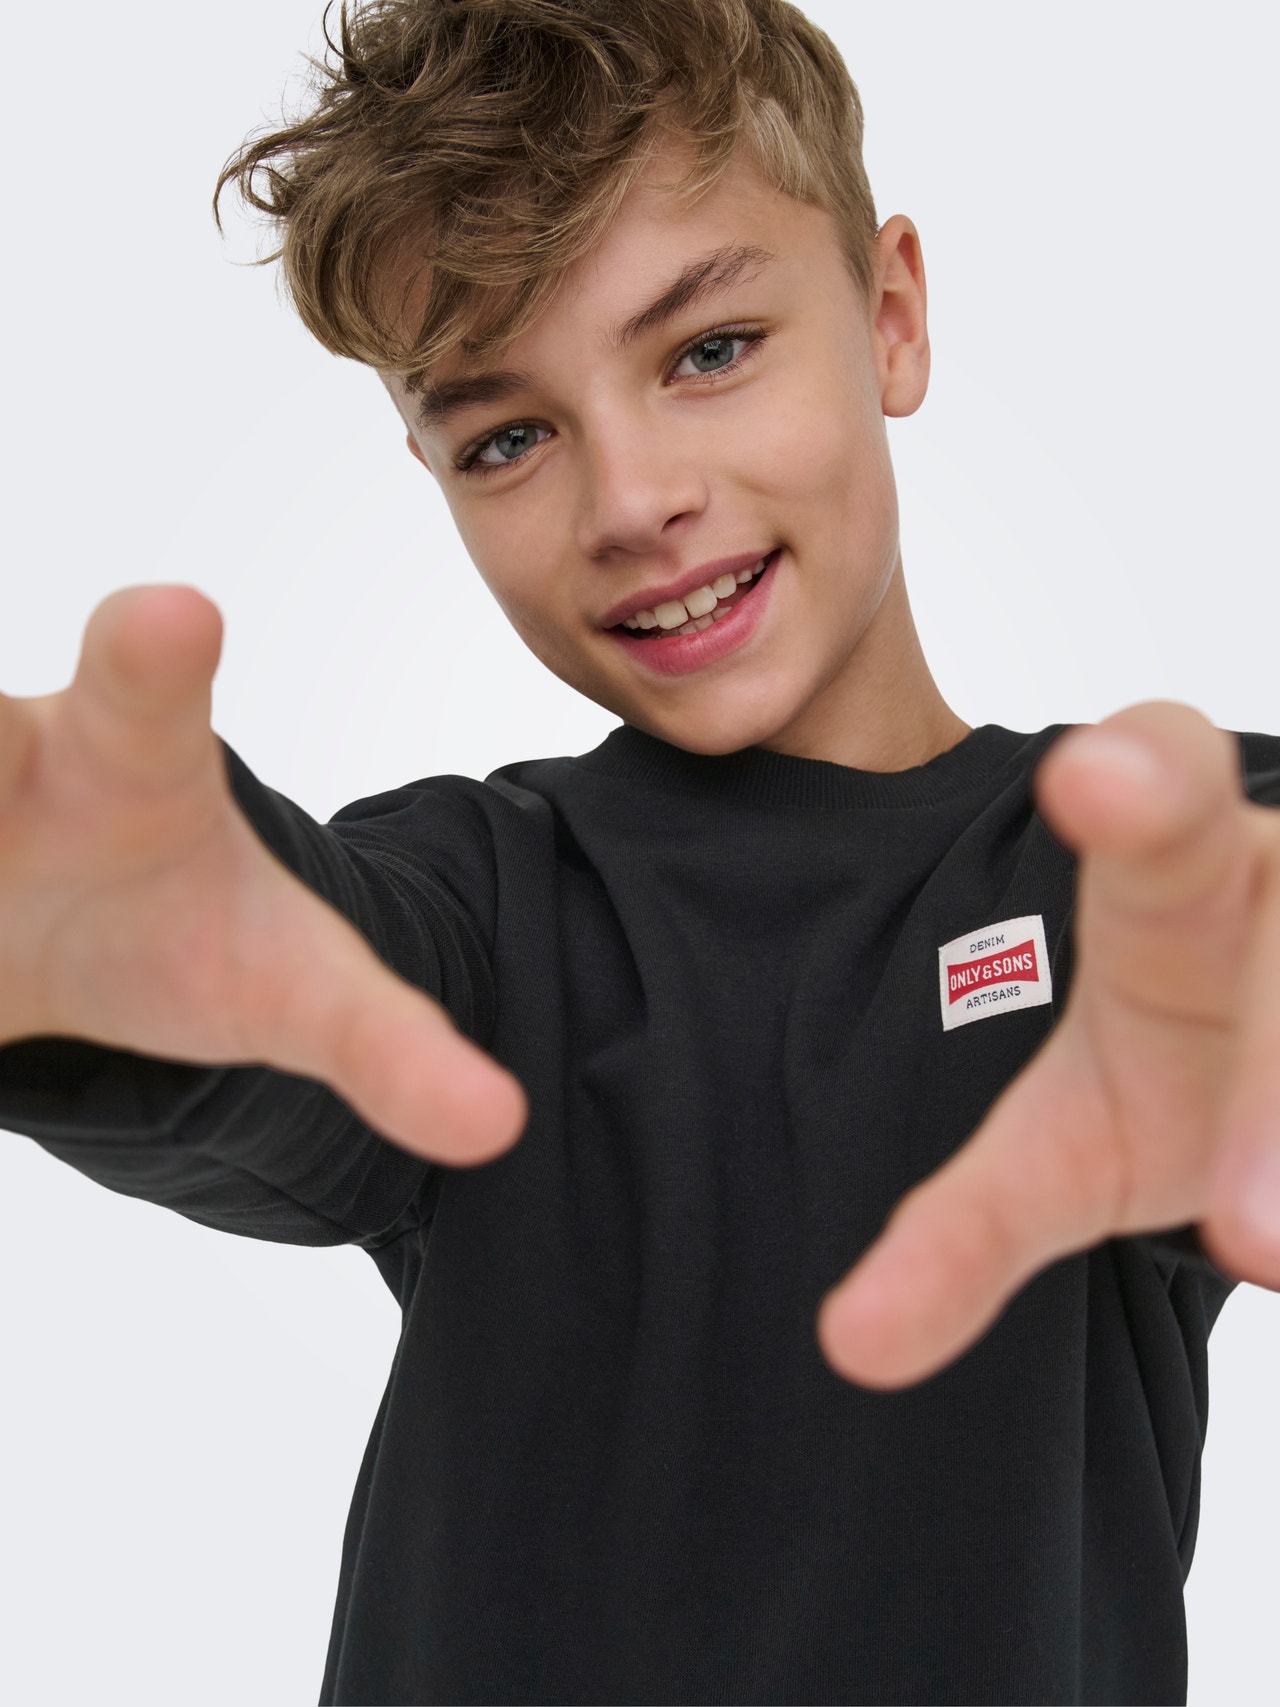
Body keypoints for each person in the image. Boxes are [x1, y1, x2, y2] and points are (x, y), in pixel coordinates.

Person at [1, 0, 1277, 1700]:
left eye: (709, 350)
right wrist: (111, 934)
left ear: (890, 317)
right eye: (508, 437)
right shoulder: (478, 907)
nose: (629, 501)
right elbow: (282, 979)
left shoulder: (1137, 871)